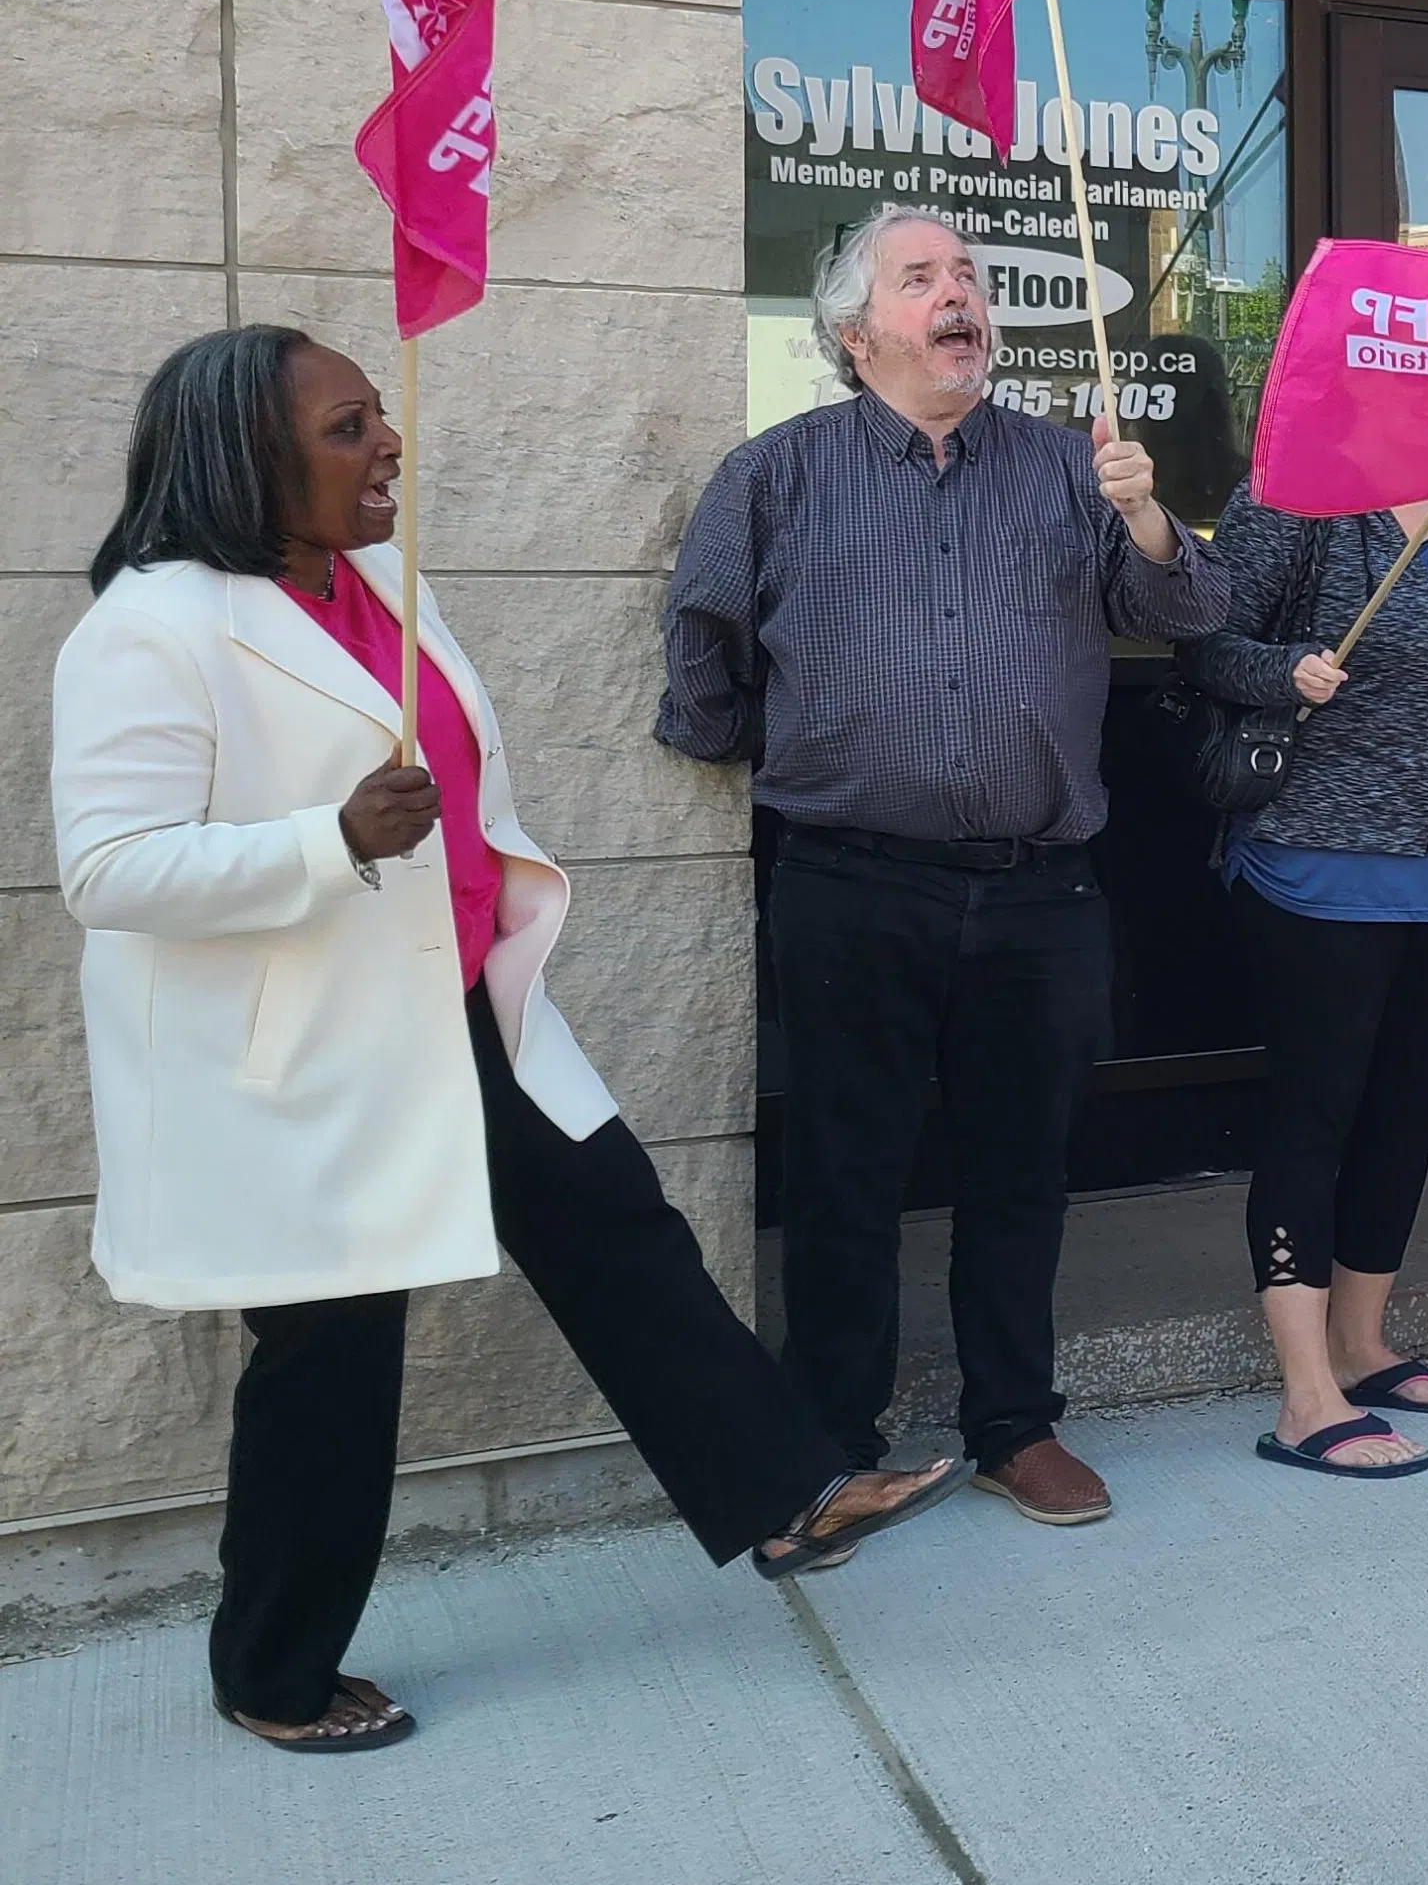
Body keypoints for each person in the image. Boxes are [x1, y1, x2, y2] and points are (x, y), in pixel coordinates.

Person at [58, 330, 966, 1753]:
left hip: (458, 1009)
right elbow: (109, 870)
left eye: (377, 418)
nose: (389, 447)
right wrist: (325, 839)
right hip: (310, 1061)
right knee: (333, 1356)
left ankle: (785, 1496)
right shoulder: (151, 627)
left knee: (618, 1232)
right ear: (248, 456)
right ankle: (274, 1674)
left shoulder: (373, 582)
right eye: (351, 427)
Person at [658, 206, 1226, 1530]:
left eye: (969, 274)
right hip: (852, 885)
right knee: (844, 1176)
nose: (960, 294)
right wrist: (805, 757)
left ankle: (1013, 1426)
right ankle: (833, 1446)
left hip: (1039, 890)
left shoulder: (1065, 468)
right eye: (924, 279)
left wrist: (1146, 520)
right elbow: (703, 659)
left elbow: (1185, 617)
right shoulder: (777, 475)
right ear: (859, 335)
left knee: (1021, 1174)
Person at [1182, 479, 1428, 1478]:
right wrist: (1283, 670)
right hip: (1315, 863)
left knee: (1407, 1114)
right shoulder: (1295, 495)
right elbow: (1205, 641)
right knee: (1316, 1117)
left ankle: (1361, 1345)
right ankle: (1306, 1399)